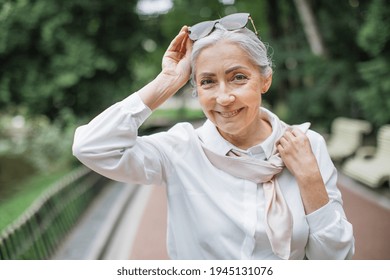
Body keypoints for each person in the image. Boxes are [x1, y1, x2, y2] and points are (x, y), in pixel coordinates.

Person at [72, 13, 354, 260]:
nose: (224, 97)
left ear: (265, 79)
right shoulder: (180, 149)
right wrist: (167, 81)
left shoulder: (307, 145)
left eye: (238, 77)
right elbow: (91, 147)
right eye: (207, 82)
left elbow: (334, 259)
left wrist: (310, 181)